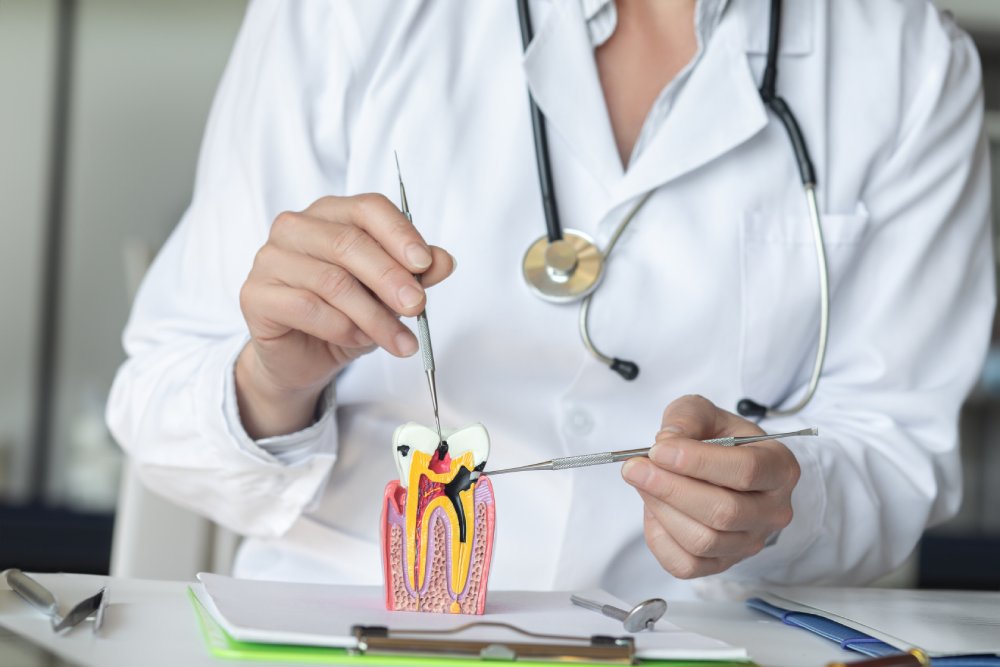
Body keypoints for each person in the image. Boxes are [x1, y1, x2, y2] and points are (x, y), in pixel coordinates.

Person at [107, 0, 994, 602]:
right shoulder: (348, 13)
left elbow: (897, 449)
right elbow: (157, 398)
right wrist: (273, 377)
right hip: (348, 624)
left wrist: (782, 505)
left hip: (699, 635)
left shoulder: (907, 58)